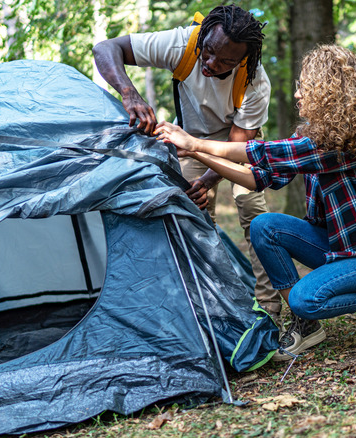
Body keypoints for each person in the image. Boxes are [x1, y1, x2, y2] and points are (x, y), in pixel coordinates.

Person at [154, 44, 356, 361]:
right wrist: (196, 153)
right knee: (264, 226)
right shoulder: (313, 138)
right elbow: (257, 176)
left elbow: (264, 153)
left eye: (305, 86)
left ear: (326, 90)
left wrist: (194, 141)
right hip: (335, 248)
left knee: (304, 298)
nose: (298, 93)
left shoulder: (351, 142)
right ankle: (308, 324)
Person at [92, 5, 282, 322]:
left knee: (252, 211)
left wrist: (206, 181)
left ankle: (269, 305)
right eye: (207, 52)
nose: (210, 64)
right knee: (192, 217)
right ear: (203, 36)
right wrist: (130, 94)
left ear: (243, 60)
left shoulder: (255, 81)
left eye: (225, 62)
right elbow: (105, 48)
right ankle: (212, 303)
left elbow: (237, 143)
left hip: (237, 143)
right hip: (190, 138)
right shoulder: (182, 43)